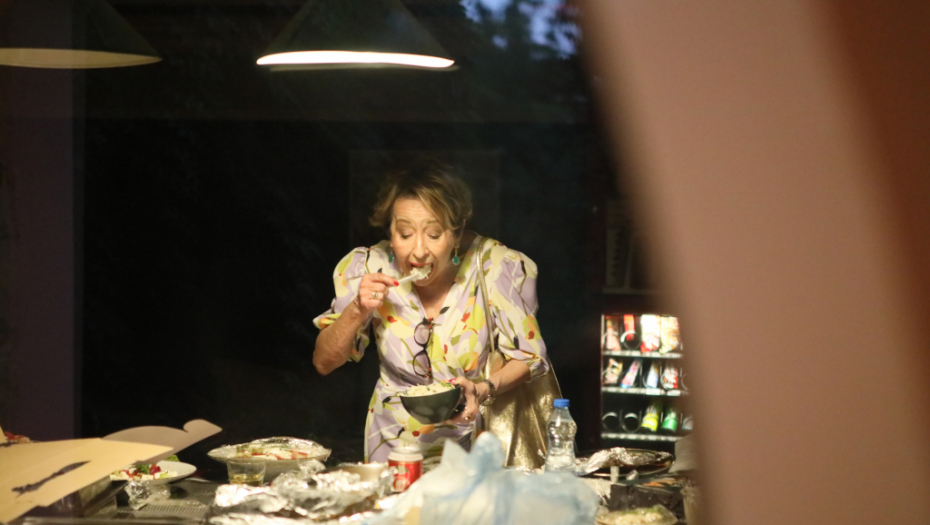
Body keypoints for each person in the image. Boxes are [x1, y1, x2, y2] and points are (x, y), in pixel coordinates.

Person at [313, 159, 550, 463]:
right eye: (404, 234)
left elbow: (528, 356)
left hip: (473, 440)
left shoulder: (495, 266)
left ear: (457, 233)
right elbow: (324, 362)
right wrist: (358, 309)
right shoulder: (368, 266)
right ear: (391, 233)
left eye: (434, 234)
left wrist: (483, 388)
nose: (419, 251)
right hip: (391, 445)